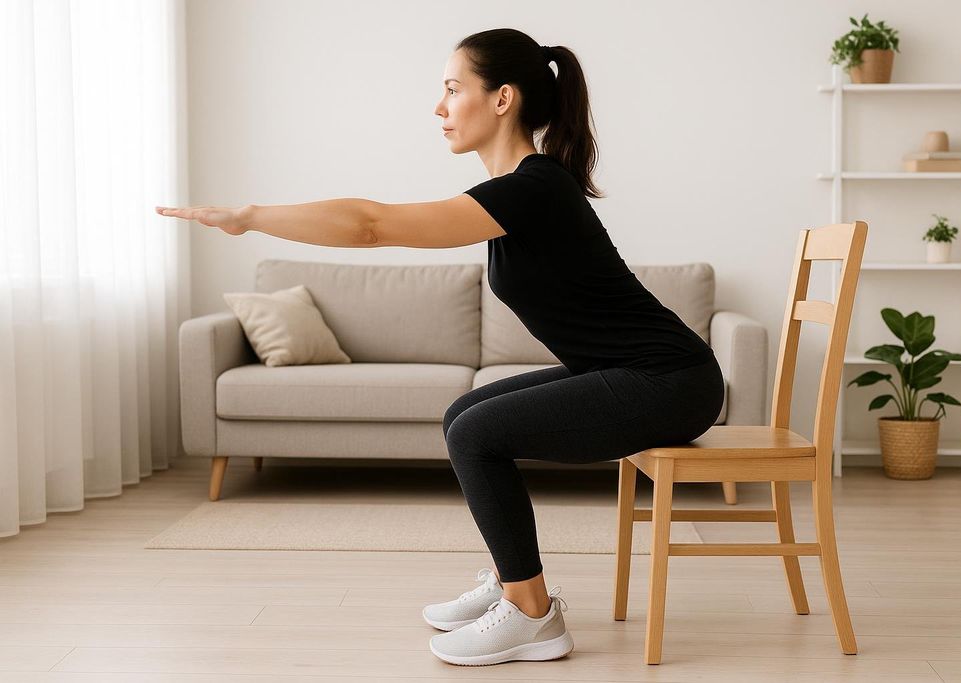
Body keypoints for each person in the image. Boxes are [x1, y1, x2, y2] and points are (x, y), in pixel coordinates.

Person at [156, 27, 725, 667]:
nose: (439, 107)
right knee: (463, 415)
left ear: (502, 98)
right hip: (637, 372)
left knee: (476, 434)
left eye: (453, 89)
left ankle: (534, 616)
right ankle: (514, 582)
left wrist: (250, 215)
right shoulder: (518, 191)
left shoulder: (534, 189)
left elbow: (372, 226)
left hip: (669, 381)